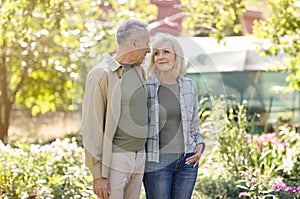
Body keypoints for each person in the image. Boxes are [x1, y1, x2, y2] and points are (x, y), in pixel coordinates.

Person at [80, 19, 150, 199]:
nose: (149, 49)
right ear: (134, 43)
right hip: (116, 159)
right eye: (146, 43)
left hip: (139, 156)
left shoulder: (139, 71)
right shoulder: (101, 74)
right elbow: (91, 127)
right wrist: (98, 175)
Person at [143, 33, 205, 199]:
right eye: (156, 53)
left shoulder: (189, 86)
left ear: (176, 56)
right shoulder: (146, 86)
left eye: (166, 52)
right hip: (157, 161)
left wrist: (199, 144)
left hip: (187, 160)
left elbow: (194, 122)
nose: (160, 57)